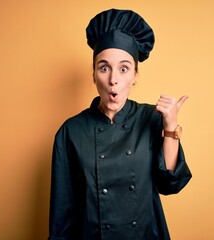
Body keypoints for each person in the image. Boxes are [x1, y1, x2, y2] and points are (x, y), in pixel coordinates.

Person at [48, 9, 192, 240]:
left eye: (124, 68)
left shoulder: (152, 118)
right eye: (104, 68)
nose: (113, 79)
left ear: (135, 75)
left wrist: (170, 127)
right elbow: (62, 211)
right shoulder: (70, 131)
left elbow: (170, 184)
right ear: (94, 75)